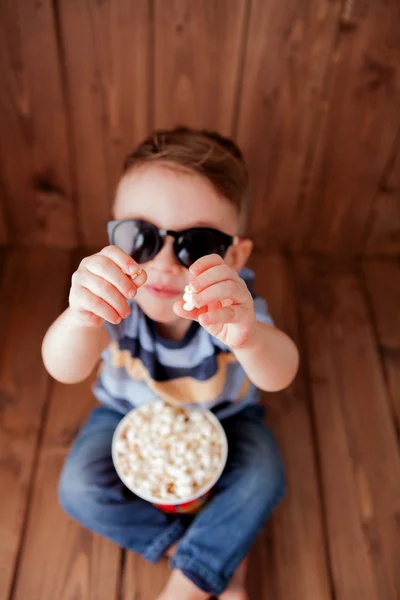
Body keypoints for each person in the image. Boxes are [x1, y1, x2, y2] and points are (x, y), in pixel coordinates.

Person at [42, 127, 299, 600]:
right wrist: (78, 318)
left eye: (196, 244)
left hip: (227, 414)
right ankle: (202, 557)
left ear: (236, 256)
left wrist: (250, 337)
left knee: (264, 475)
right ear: (112, 235)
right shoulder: (116, 303)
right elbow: (64, 367)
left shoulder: (231, 308)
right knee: (78, 488)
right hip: (127, 411)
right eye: (139, 236)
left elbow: (281, 371)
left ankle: (193, 580)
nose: (162, 263)